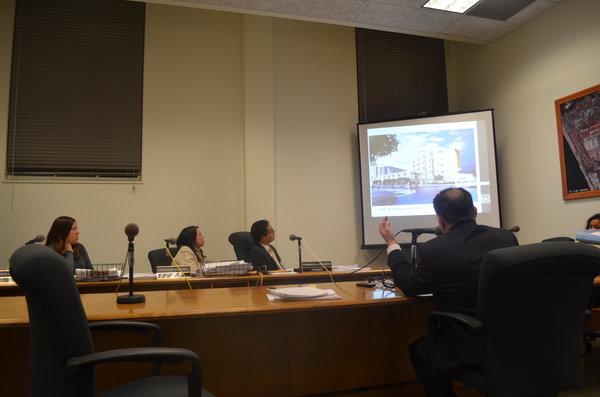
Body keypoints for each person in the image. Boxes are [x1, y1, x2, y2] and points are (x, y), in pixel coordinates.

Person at [379, 187, 518, 397]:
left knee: (421, 352)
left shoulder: (436, 250)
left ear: (440, 221)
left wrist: (392, 243)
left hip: (469, 345)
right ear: (475, 211)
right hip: (512, 339)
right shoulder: (506, 238)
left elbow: (410, 284)